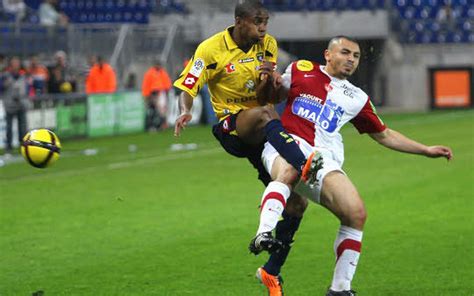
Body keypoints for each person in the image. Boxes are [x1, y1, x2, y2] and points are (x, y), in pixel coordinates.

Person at [255, 36, 453, 295]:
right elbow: (271, 96)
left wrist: (425, 150)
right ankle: (263, 233)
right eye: (345, 52)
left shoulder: (357, 98)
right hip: (286, 144)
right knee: (290, 171)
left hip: (323, 159)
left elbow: (384, 134)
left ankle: (340, 289)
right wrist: (269, 81)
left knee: (355, 213)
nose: (350, 59)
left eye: (356, 56)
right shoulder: (301, 69)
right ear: (328, 54)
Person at [173, 1, 321, 293]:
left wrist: (270, 79)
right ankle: (305, 162)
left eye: (265, 22)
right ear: (240, 21)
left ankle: (271, 271)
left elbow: (268, 95)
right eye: (257, 22)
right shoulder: (210, 49)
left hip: (265, 134)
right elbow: (188, 86)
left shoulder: (267, 45)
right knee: (268, 114)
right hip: (233, 128)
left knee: (297, 204)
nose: (263, 28)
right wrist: (184, 110)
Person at [2, 57, 29, 154]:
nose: (15, 65)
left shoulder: (23, 75)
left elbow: (27, 89)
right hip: (9, 105)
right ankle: (8, 148)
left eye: (17, 63)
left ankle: (24, 148)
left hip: (21, 104)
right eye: (14, 63)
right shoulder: (5, 76)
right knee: (9, 128)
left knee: (23, 128)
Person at [142, 60, 172, 130]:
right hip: (153, 94)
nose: (159, 66)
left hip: (162, 93)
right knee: (153, 110)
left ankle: (161, 125)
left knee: (161, 111)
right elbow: (146, 85)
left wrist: (167, 91)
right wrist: (147, 95)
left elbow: (167, 83)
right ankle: (152, 126)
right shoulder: (150, 73)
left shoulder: (162, 72)